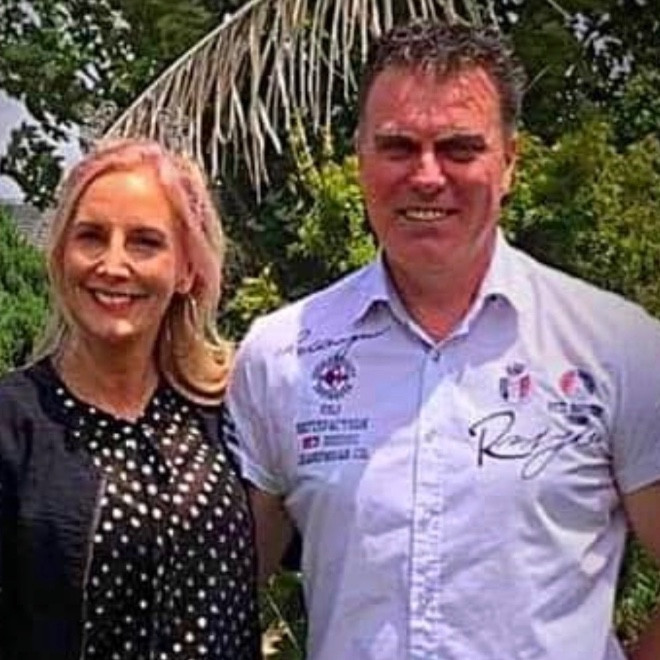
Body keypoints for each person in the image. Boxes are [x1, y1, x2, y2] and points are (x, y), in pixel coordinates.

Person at [226, 20, 660, 660]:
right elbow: (226, 592)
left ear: (509, 163)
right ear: (361, 158)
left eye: (460, 148)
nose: (427, 176)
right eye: (398, 147)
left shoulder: (618, 348)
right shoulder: (280, 354)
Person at [0, 139, 261, 659]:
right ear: (61, 256)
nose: (113, 264)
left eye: (144, 242)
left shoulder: (234, 413)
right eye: (91, 237)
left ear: (187, 270)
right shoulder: (13, 424)